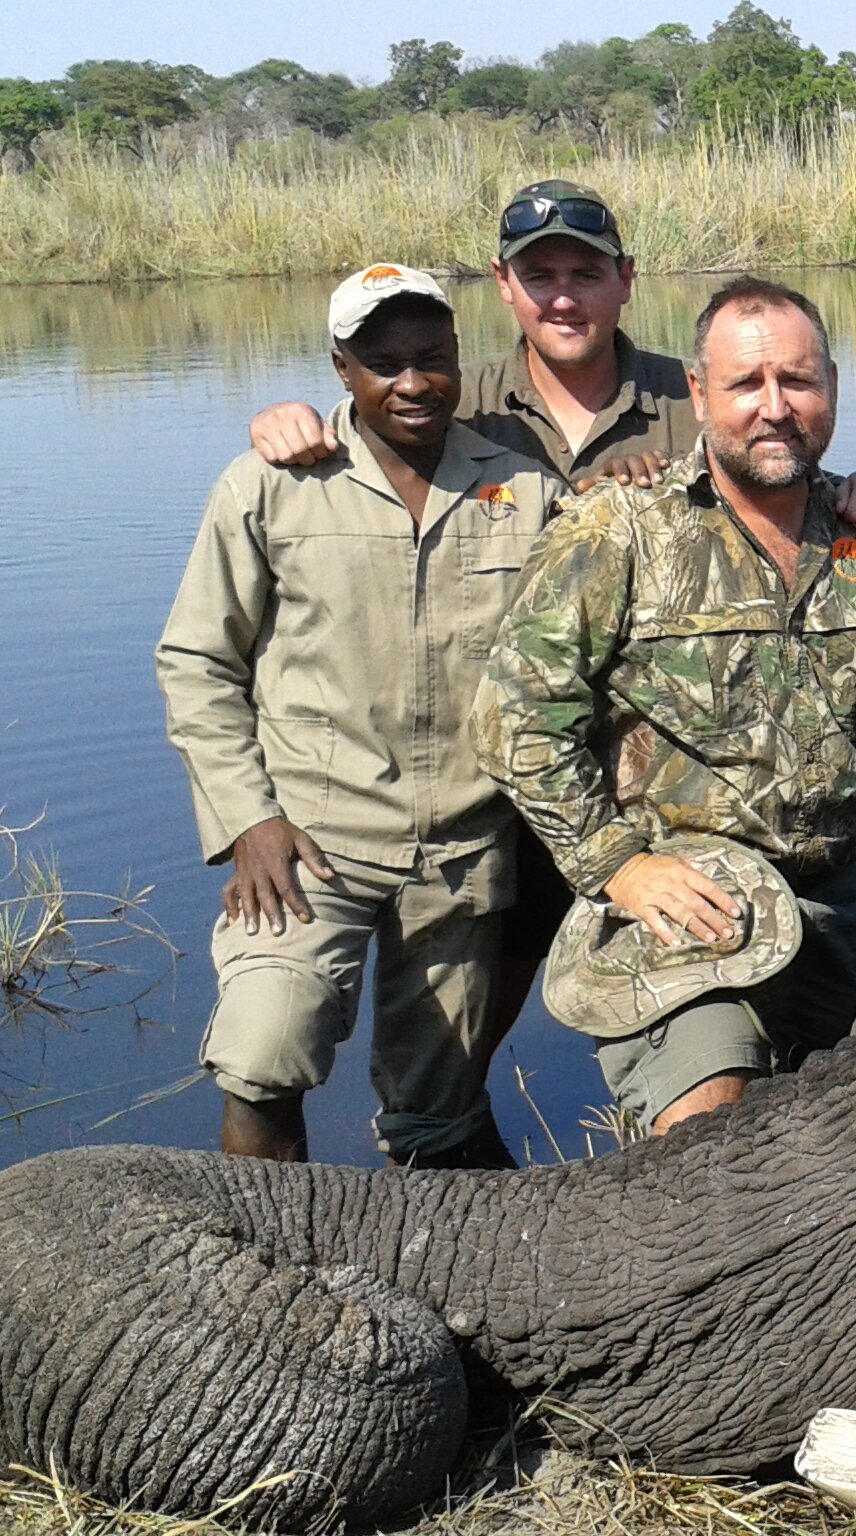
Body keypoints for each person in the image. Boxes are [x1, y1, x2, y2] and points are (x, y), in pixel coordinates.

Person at [243, 180, 856, 1059]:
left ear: (625, 280)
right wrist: (290, 423)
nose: (564, 295)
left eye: (586, 272)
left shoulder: (695, 391)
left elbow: (783, 447)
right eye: (540, 274)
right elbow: (362, 431)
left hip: (655, 774)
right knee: (463, 1034)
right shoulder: (452, 395)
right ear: (504, 283)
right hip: (486, 770)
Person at [472, 275, 856, 1135]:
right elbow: (514, 718)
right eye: (746, 385)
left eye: (797, 381)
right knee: (711, 1130)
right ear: (697, 392)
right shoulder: (621, 531)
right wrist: (618, 865)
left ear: (831, 384)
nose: (775, 407)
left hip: (833, 908)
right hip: (681, 911)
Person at [157, 263, 560, 1169]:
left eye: (431, 357)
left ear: (461, 357)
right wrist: (247, 819)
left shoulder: (526, 492)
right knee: (264, 1057)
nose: (412, 382)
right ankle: (263, 1283)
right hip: (308, 840)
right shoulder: (269, 485)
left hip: (462, 849)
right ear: (341, 369)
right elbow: (196, 661)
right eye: (383, 362)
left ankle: (441, 1277)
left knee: (439, 1107)